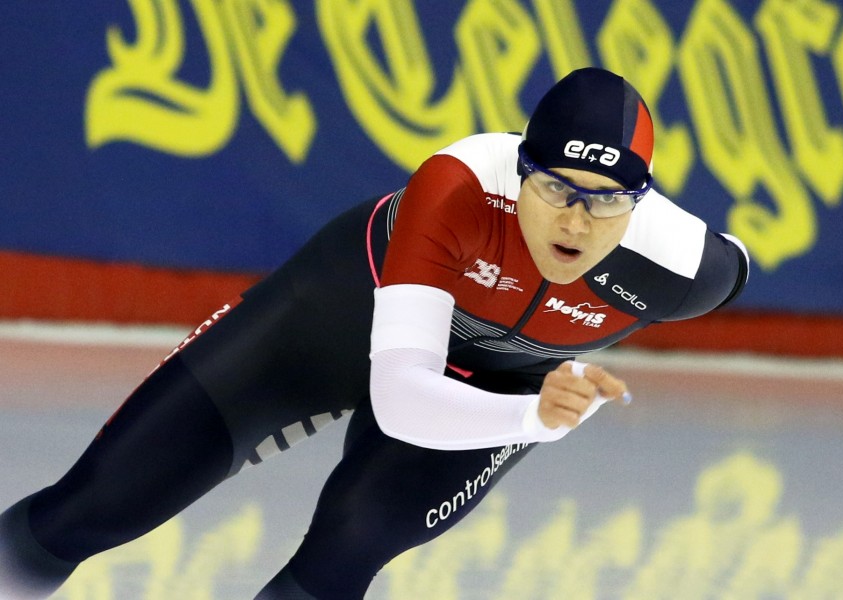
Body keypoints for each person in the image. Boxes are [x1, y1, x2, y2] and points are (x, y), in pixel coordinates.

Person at [0, 67, 749, 599]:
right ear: (520, 171)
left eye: (608, 200)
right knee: (92, 507)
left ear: (640, 201)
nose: (577, 221)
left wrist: (527, 409)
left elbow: (737, 261)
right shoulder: (456, 188)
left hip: (499, 381)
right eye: (555, 188)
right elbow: (400, 398)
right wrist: (537, 419)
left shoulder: (684, 269)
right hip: (337, 317)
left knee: (340, 558)